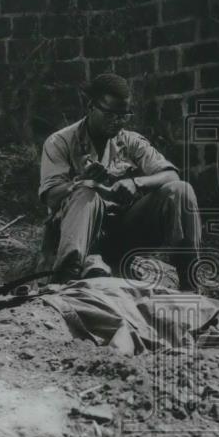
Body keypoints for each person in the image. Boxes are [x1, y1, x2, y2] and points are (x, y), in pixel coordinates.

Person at [38, 73, 202, 288]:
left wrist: (136, 183)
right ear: (91, 107)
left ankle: (190, 284)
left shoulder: (130, 141)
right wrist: (81, 181)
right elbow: (50, 197)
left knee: (181, 190)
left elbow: (171, 174)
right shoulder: (60, 142)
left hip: (122, 233)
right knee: (85, 193)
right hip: (80, 235)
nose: (117, 121)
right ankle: (66, 279)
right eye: (110, 114)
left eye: (123, 115)